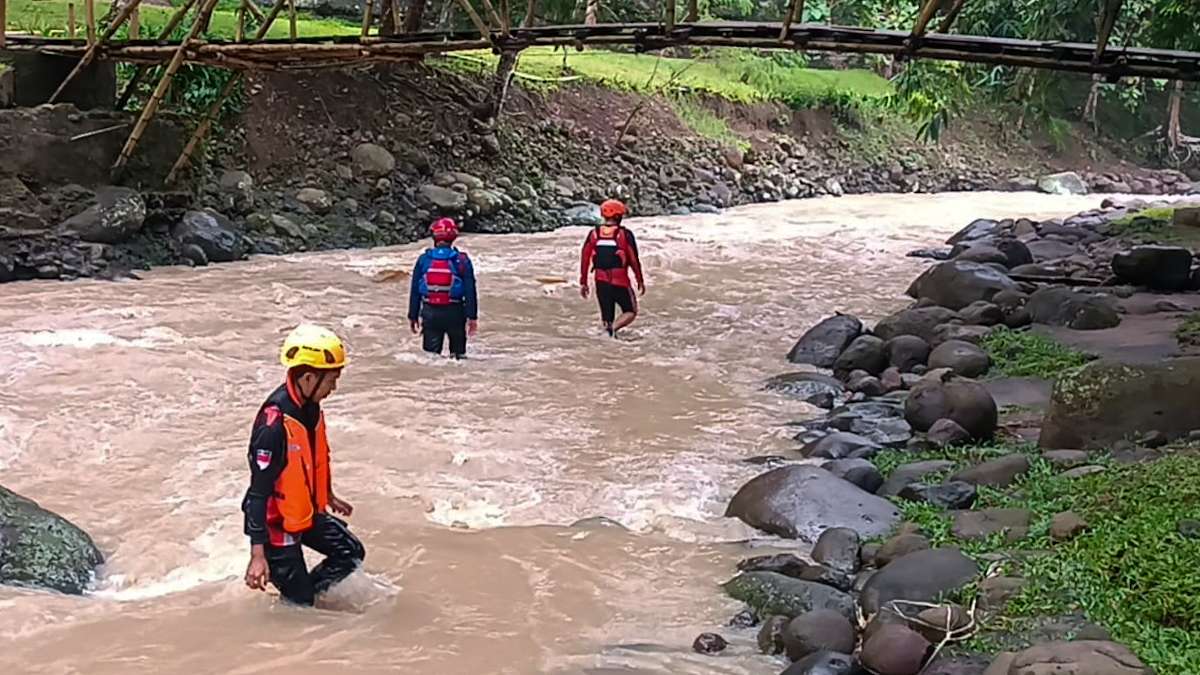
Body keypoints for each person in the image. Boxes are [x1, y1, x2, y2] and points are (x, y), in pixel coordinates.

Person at [242, 323, 365, 607]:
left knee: (350, 552)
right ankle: (296, 597)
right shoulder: (273, 425)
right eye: (331, 380)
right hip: (275, 526)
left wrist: (329, 494)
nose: (333, 388)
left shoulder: (309, 408)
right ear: (309, 378)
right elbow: (257, 495)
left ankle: (303, 591)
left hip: (303, 511)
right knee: (300, 608)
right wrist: (257, 556)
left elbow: (312, 459)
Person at [408, 218, 479, 359]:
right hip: (455, 312)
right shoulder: (462, 260)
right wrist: (472, 317)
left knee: (431, 357)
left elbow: (415, 290)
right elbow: (470, 291)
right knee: (458, 357)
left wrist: (413, 315)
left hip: (430, 312)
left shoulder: (424, 259)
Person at [579, 199, 645, 336]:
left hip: (601, 281)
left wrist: (583, 282)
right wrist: (640, 280)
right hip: (620, 281)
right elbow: (633, 259)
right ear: (618, 216)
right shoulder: (625, 234)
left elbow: (585, 258)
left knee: (606, 318)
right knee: (630, 311)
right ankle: (613, 330)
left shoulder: (593, 234)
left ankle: (607, 335)